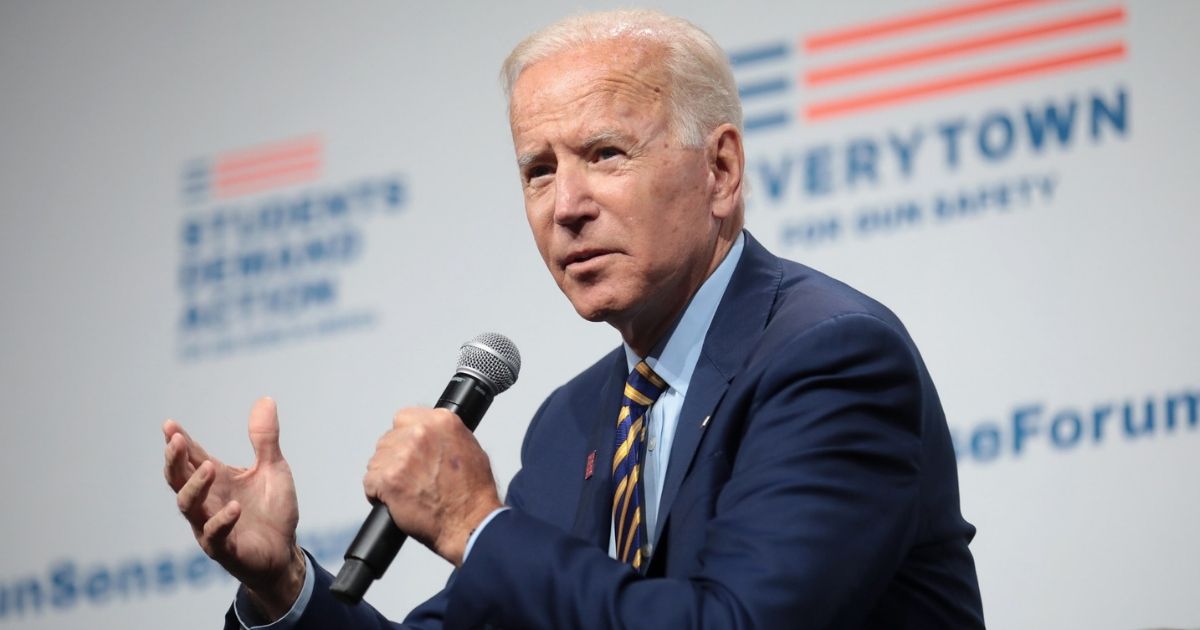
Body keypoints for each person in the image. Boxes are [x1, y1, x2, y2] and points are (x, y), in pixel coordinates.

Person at [163, 9, 985, 629]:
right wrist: (285, 587)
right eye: (537, 170)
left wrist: (477, 527)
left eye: (605, 155)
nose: (567, 207)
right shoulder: (569, 426)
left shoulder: (829, 358)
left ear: (721, 170)